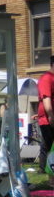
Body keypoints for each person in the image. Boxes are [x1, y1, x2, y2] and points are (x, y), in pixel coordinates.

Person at [37, 56, 54, 185]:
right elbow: (46, 99)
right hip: (48, 120)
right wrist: (51, 116)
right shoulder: (46, 78)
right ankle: (51, 179)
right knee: (50, 149)